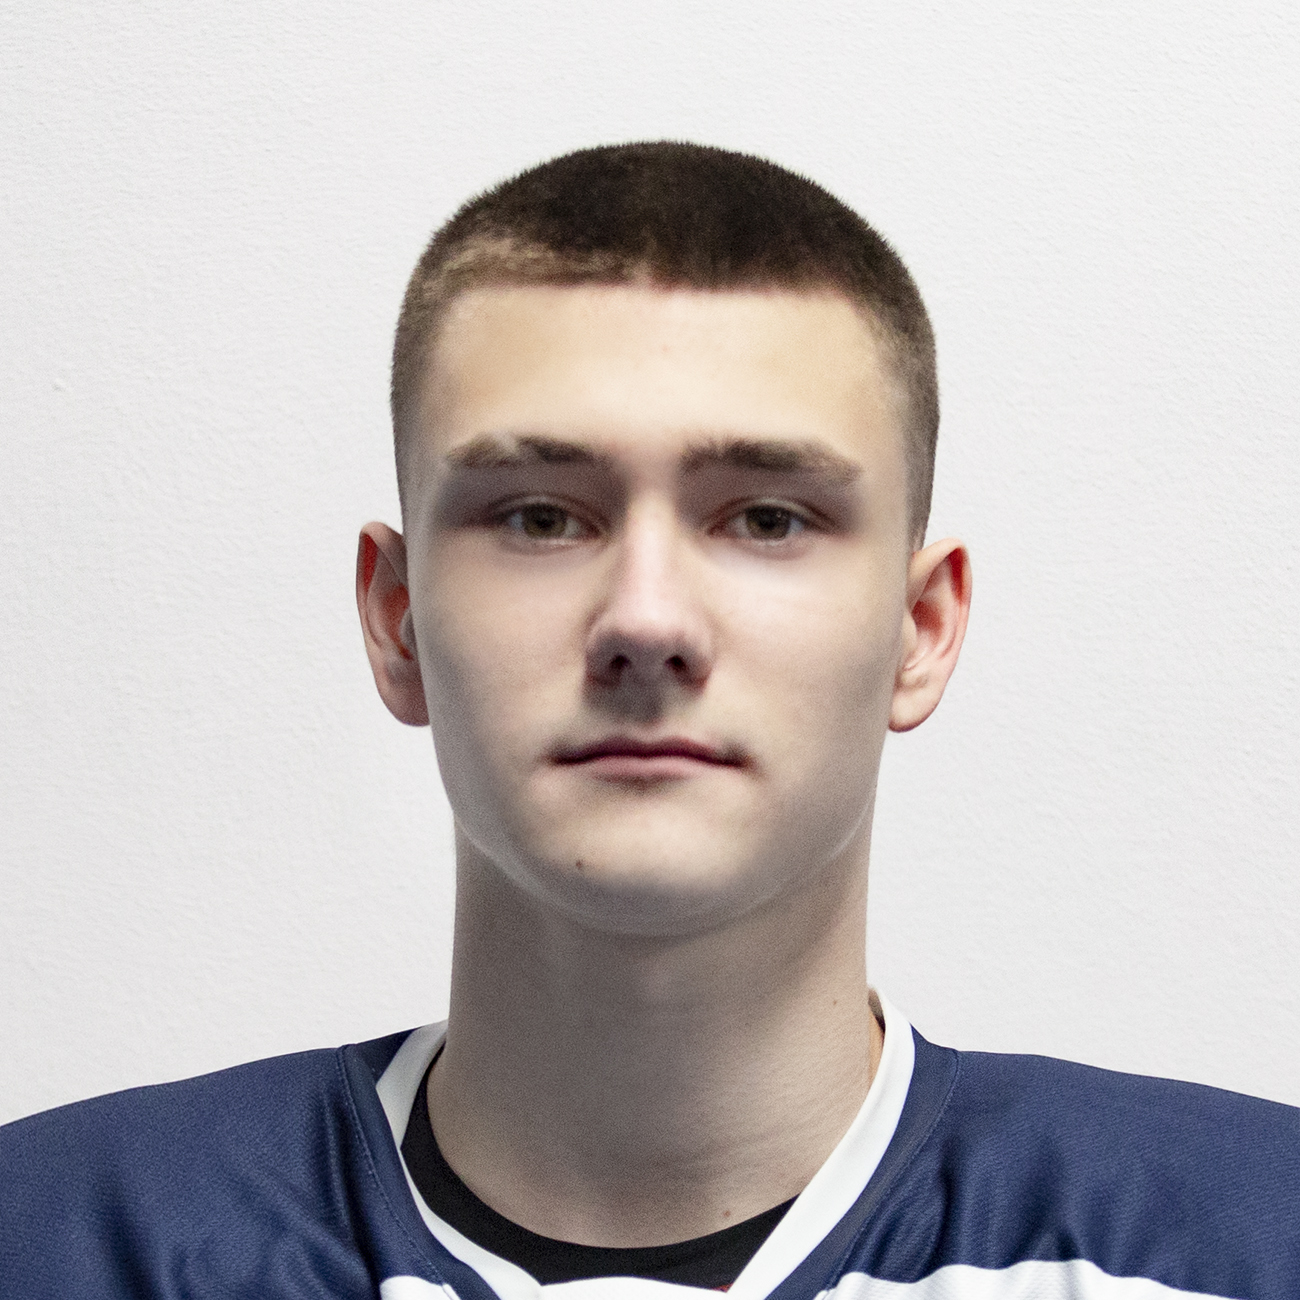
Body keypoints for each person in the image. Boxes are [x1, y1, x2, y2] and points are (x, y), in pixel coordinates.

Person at [1, 141, 1297, 1300]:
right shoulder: (59, 1243)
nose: (646, 618)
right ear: (397, 620)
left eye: (767, 518)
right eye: (540, 516)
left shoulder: (1244, 1247)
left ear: (921, 628)